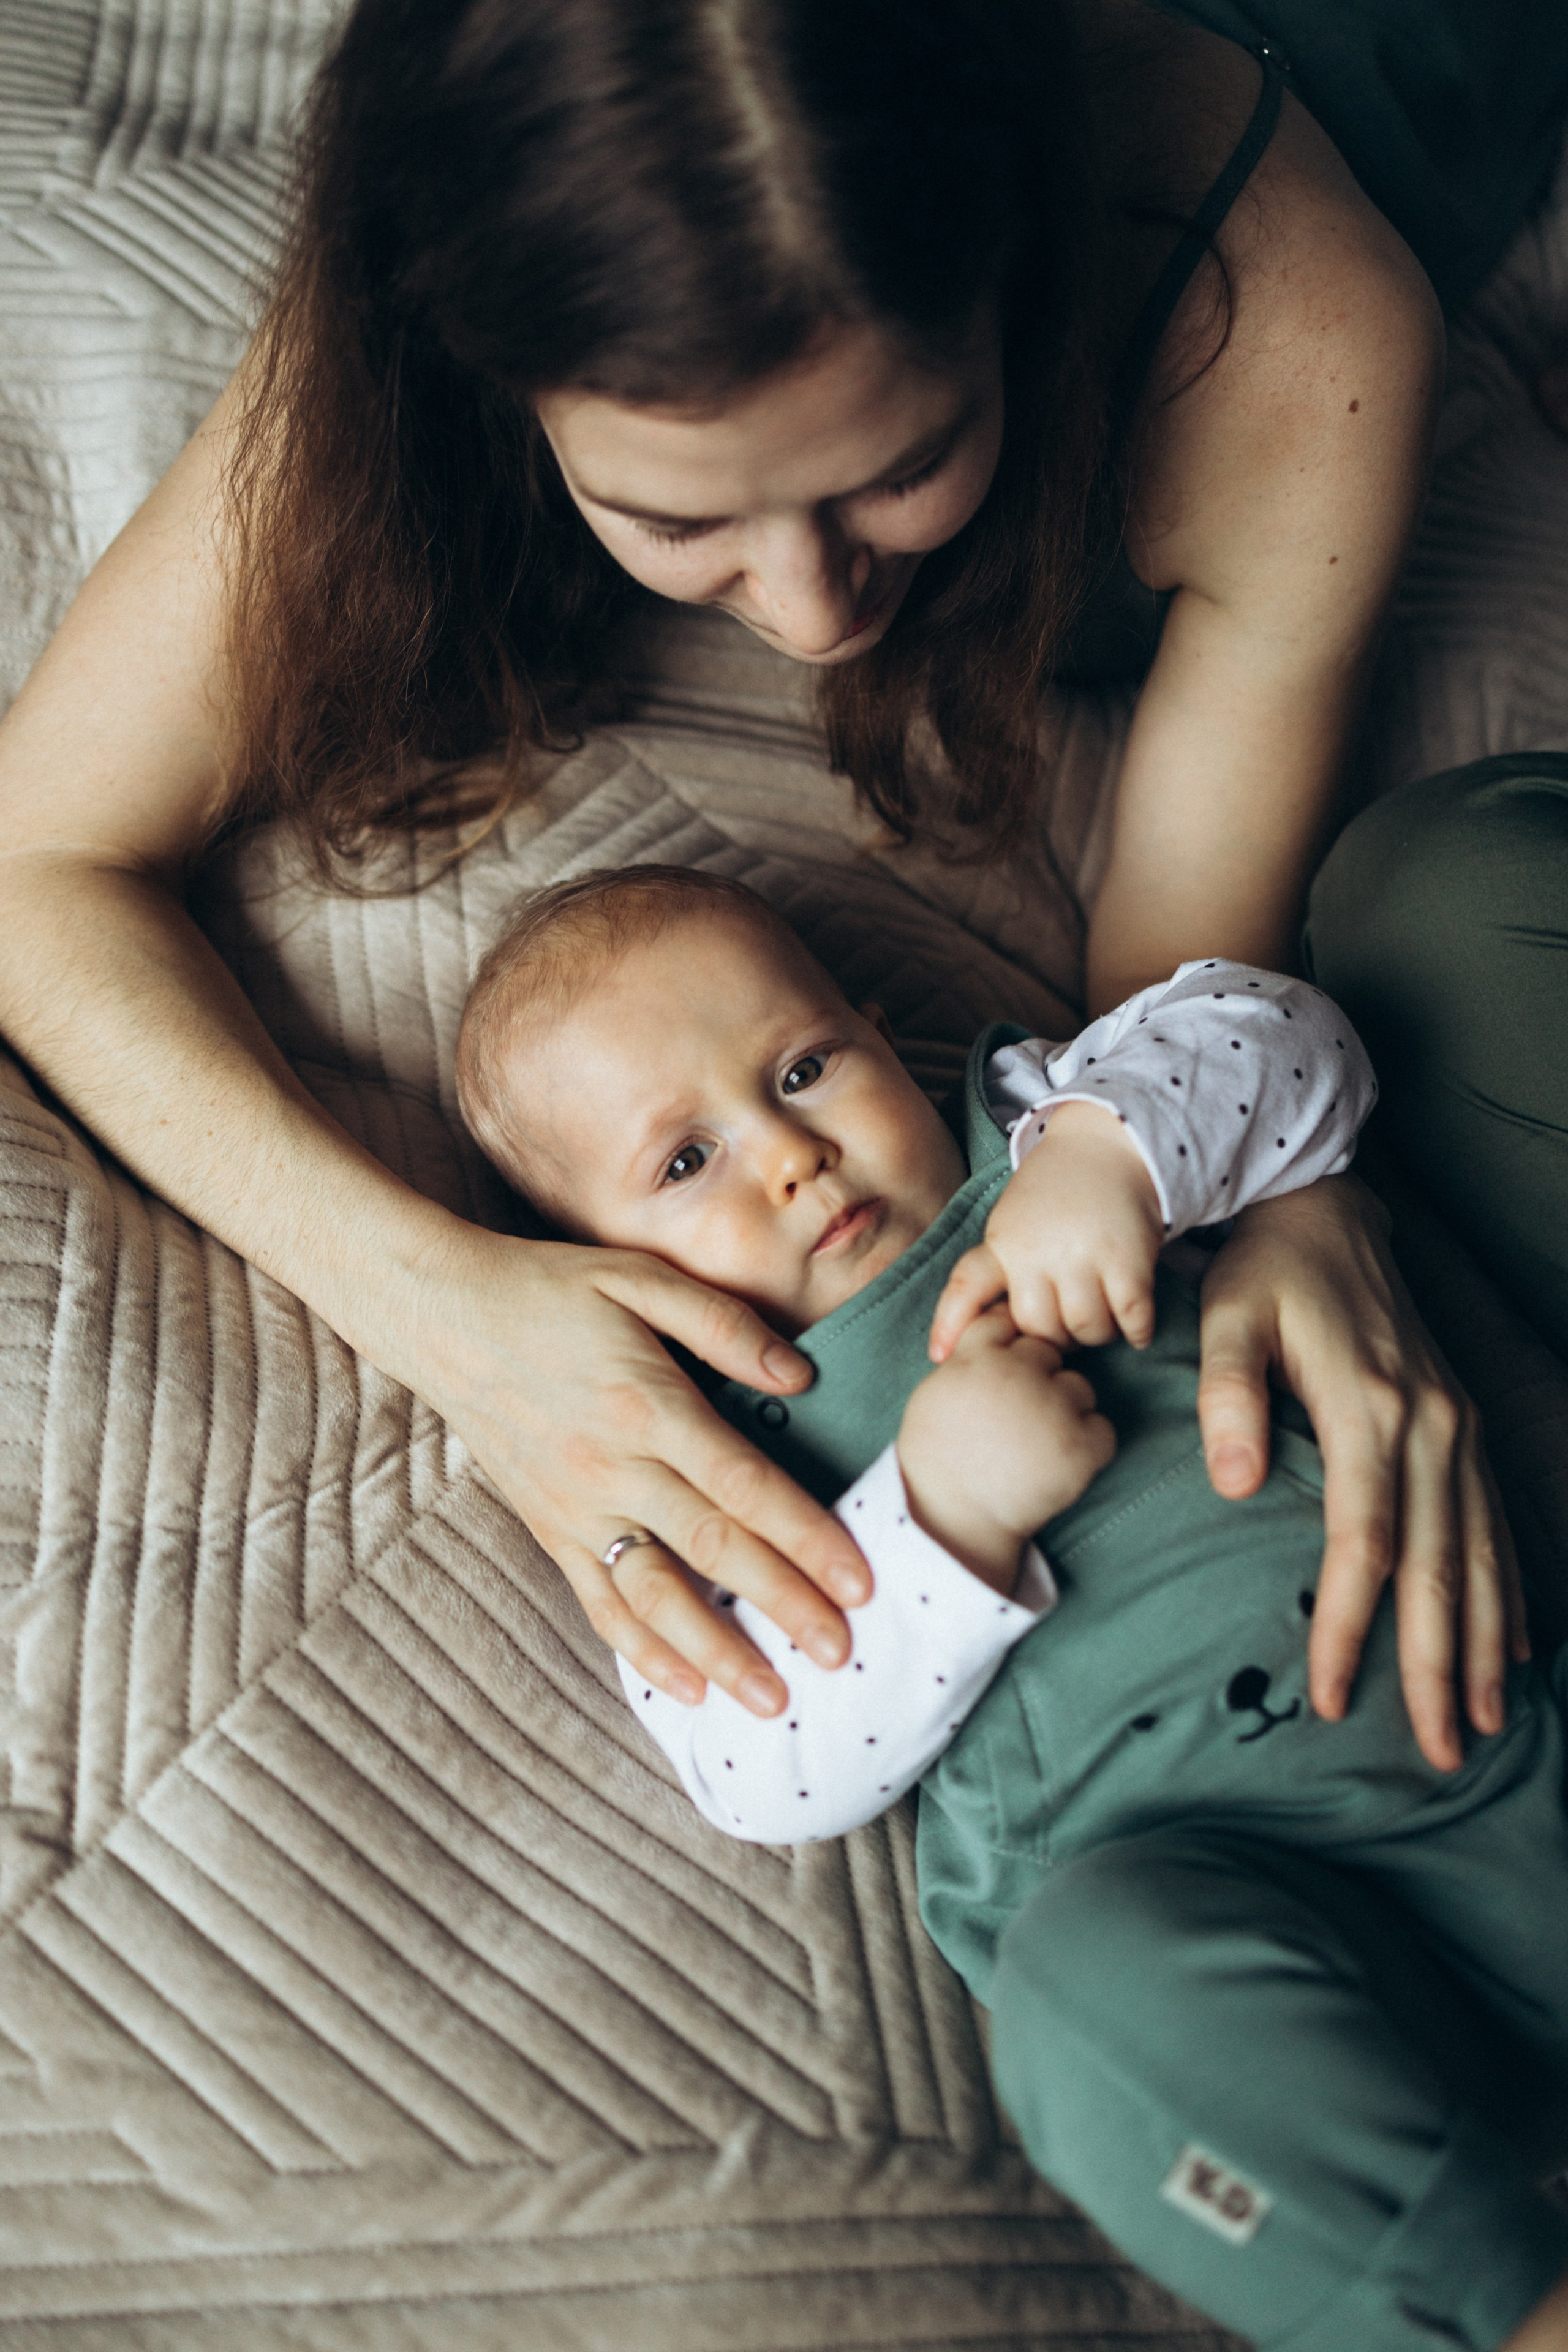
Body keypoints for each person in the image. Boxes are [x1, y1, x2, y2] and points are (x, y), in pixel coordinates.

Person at [0, 0, 1562, 1757]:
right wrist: (444, 1311)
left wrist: (1288, 1184)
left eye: (902, 468)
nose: (814, 615)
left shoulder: (1285, 326)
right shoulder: (512, 203)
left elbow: (1174, 990)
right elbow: (35, 864)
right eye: (678, 519)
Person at [452, 862, 1568, 2352]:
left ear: (879, 1032)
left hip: (1505, 1746)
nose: (789, 1156)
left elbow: (1288, 1037)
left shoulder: (1043, 1114)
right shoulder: (686, 1444)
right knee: (1083, 1999)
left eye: (802, 1068)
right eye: (684, 1162)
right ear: (596, 1263)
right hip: (1224, 1916)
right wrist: (945, 1520)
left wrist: (1108, 1157)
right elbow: (747, 1767)